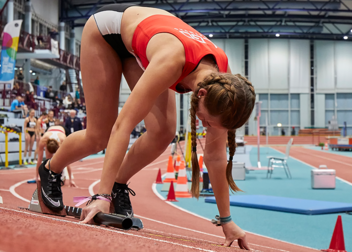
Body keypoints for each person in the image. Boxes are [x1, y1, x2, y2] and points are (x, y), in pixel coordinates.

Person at [37, 4, 255, 249]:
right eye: (205, 121)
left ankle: (119, 185)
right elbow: (124, 125)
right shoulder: (171, 62)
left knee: (163, 132)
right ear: (201, 93)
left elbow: (215, 158)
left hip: (145, 43)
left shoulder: (226, 89)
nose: (204, 126)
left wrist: (226, 220)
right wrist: (100, 196)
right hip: (108, 33)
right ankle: (50, 170)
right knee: (100, 135)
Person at [35, 123, 76, 187]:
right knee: (48, 159)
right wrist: (37, 177)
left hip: (62, 130)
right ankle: (50, 176)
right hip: (50, 130)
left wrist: (70, 180)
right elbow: (39, 161)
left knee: (62, 159)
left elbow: (68, 162)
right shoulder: (43, 140)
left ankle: (62, 175)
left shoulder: (63, 140)